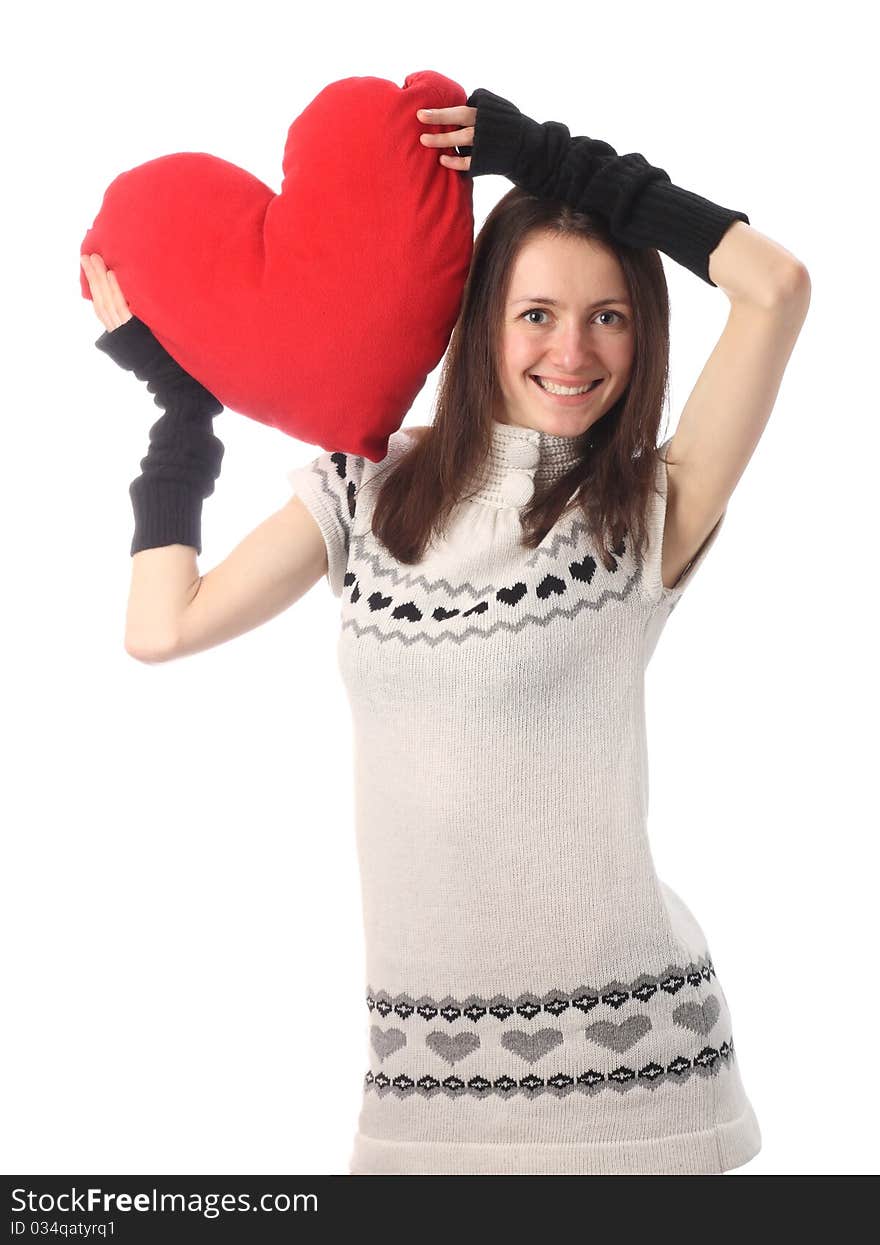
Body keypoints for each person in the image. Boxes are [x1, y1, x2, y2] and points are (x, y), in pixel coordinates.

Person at [81, 88, 810, 1174]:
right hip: (421, 1088)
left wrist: (551, 162)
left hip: (638, 1090)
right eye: (537, 314)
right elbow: (161, 627)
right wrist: (182, 414)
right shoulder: (367, 493)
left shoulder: (649, 507)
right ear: (477, 326)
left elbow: (775, 287)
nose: (573, 350)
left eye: (608, 315)